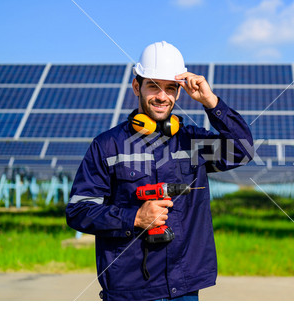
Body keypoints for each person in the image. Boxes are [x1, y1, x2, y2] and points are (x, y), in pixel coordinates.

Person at [65, 41, 253, 301]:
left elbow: (242, 151)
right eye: (153, 85)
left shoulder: (192, 142)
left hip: (185, 289)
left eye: (170, 88)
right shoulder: (108, 146)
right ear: (136, 87)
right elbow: (79, 210)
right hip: (130, 291)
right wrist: (134, 218)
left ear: (178, 93)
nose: (162, 96)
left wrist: (211, 102)